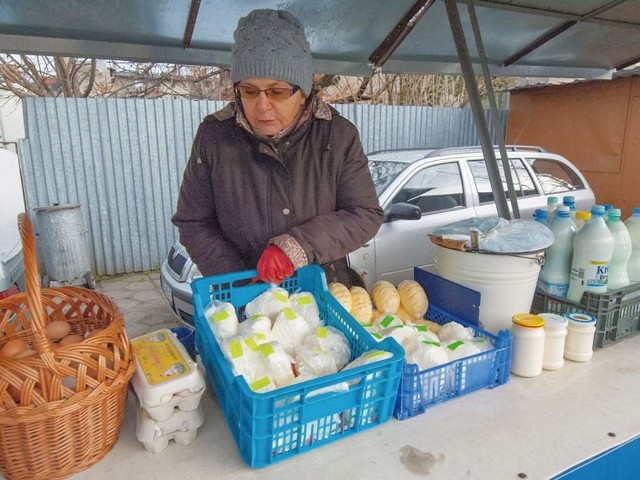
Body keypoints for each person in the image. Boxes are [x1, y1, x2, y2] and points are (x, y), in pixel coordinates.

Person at [171, 8, 383, 286]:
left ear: (302, 92)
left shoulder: (336, 135)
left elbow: (364, 214)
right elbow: (194, 223)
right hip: (245, 297)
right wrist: (244, 281)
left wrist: (299, 246)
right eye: (249, 91)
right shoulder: (215, 137)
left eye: (277, 91)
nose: (262, 106)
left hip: (326, 288)